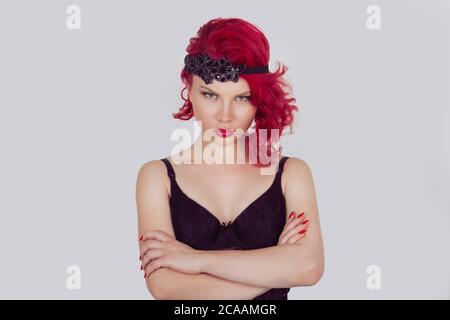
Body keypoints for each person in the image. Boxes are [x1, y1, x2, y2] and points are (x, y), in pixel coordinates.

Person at [136, 17, 324, 300]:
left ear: (259, 98)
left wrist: (195, 260)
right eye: (210, 95)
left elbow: (309, 267)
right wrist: (278, 270)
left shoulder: (291, 174)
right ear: (188, 87)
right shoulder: (156, 177)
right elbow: (165, 287)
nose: (225, 115)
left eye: (241, 97)